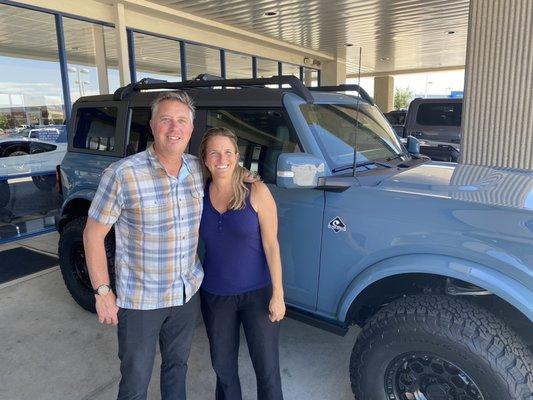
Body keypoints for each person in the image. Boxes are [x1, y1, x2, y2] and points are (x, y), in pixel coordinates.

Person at [83, 91, 204, 400]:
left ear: (191, 128)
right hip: (141, 302)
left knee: (177, 368)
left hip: (185, 295)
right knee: (135, 382)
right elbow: (92, 234)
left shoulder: (198, 170)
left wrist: (252, 178)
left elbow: (234, 174)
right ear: (152, 126)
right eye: (165, 120)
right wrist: (102, 291)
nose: (174, 128)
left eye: (181, 121)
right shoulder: (123, 175)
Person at [198, 127, 286, 400]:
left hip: (257, 295)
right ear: (205, 158)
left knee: (267, 369)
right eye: (214, 152)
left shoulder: (256, 191)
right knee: (223, 370)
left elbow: (272, 245)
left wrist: (278, 295)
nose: (221, 158)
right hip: (215, 296)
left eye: (227, 152)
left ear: (237, 156)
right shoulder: (196, 193)